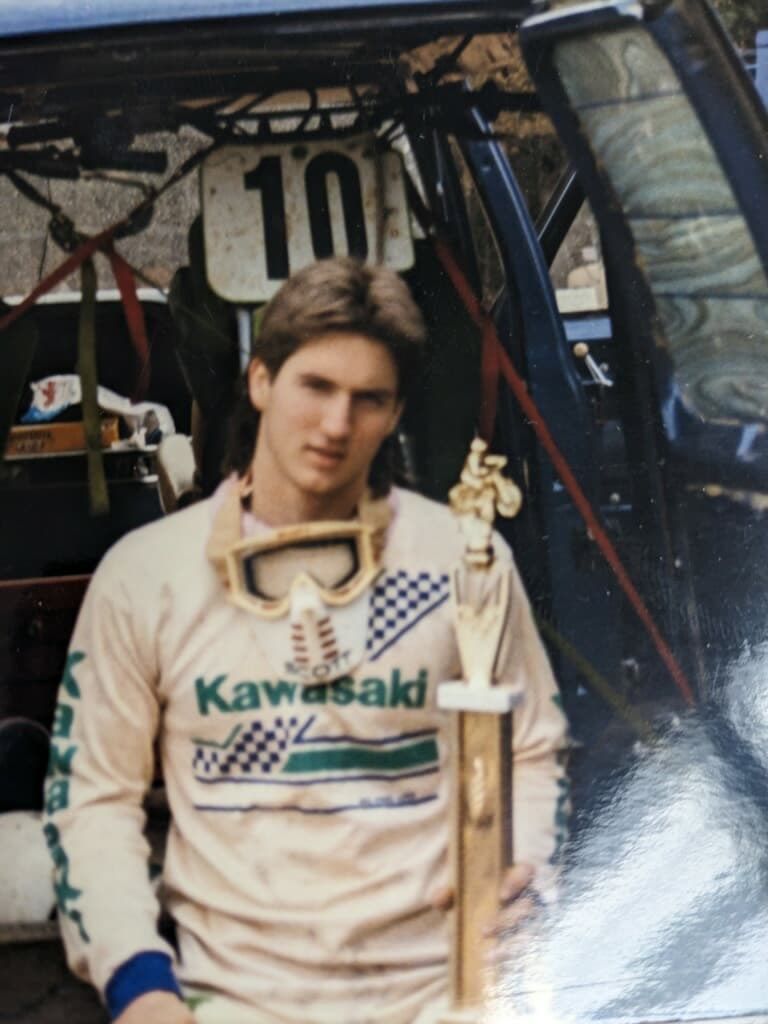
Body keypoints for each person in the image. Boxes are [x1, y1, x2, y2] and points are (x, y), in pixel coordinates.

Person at [43, 257, 569, 1024]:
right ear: (260, 381)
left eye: (369, 399)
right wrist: (138, 981)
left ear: (394, 414)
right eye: (315, 387)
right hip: (238, 1000)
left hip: (444, 996)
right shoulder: (145, 575)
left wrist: (526, 873)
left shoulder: (465, 559)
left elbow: (528, 747)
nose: (335, 424)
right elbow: (91, 799)